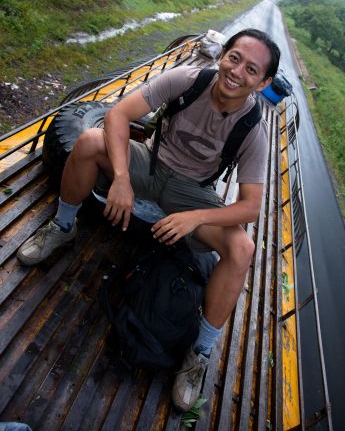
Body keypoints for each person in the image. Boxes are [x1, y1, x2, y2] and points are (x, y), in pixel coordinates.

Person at [17, 28, 280, 412]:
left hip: (192, 192)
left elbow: (252, 206)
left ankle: (199, 354)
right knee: (89, 140)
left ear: (263, 82)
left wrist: (195, 217)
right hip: (151, 165)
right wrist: (122, 178)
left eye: (252, 69)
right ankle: (62, 227)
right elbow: (119, 114)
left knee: (242, 247)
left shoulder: (252, 130)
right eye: (234, 58)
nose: (237, 71)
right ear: (223, 55)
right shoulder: (187, 81)